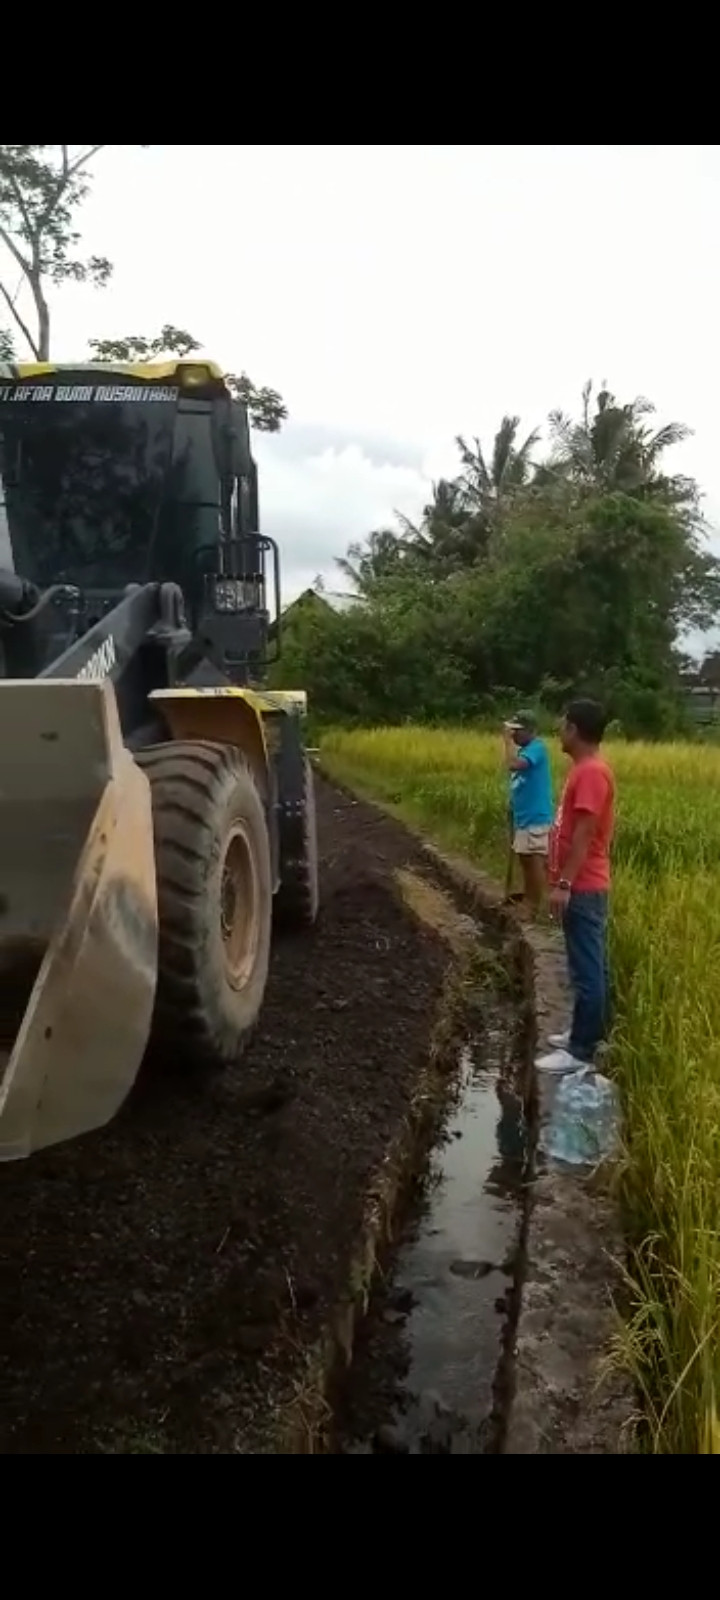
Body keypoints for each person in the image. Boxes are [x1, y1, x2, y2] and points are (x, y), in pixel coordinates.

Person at [536, 698, 615, 1075]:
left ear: (574, 729)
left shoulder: (591, 773)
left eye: (563, 723)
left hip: (582, 886)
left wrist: (564, 883)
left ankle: (581, 1051)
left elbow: (583, 834)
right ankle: (584, 1035)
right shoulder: (585, 769)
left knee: (587, 969)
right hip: (582, 885)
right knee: (590, 966)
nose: (558, 729)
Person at [502, 711, 553, 918]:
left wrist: (506, 743)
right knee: (524, 859)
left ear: (529, 730)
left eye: (516, 731)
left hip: (536, 817)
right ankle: (527, 900)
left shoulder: (537, 748)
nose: (513, 736)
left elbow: (514, 765)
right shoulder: (525, 750)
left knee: (534, 862)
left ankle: (533, 906)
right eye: (511, 732)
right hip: (523, 816)